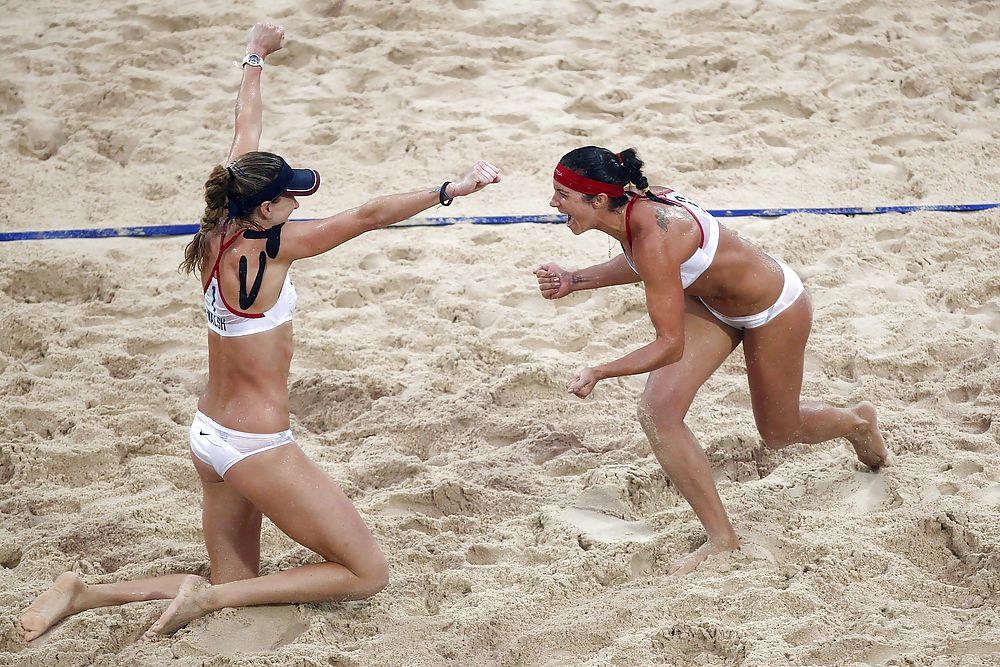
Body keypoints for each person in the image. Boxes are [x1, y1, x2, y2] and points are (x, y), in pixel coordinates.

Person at [18, 21, 501, 642]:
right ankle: (204, 603)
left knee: (239, 582)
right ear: (268, 209)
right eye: (292, 197)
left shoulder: (218, 221)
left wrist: (255, 56)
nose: (299, 204)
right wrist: (452, 188)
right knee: (365, 572)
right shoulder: (276, 247)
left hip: (207, 436)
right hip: (254, 445)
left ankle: (87, 594)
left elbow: (244, 133)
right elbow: (369, 214)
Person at [534, 146, 887, 575]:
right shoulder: (633, 211)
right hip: (713, 302)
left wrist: (600, 370)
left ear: (599, 200)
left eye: (562, 194)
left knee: (779, 432)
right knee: (658, 411)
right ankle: (723, 539)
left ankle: (858, 421)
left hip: (775, 308)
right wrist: (575, 280)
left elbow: (669, 344)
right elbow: (645, 263)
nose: (553, 203)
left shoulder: (656, 233)